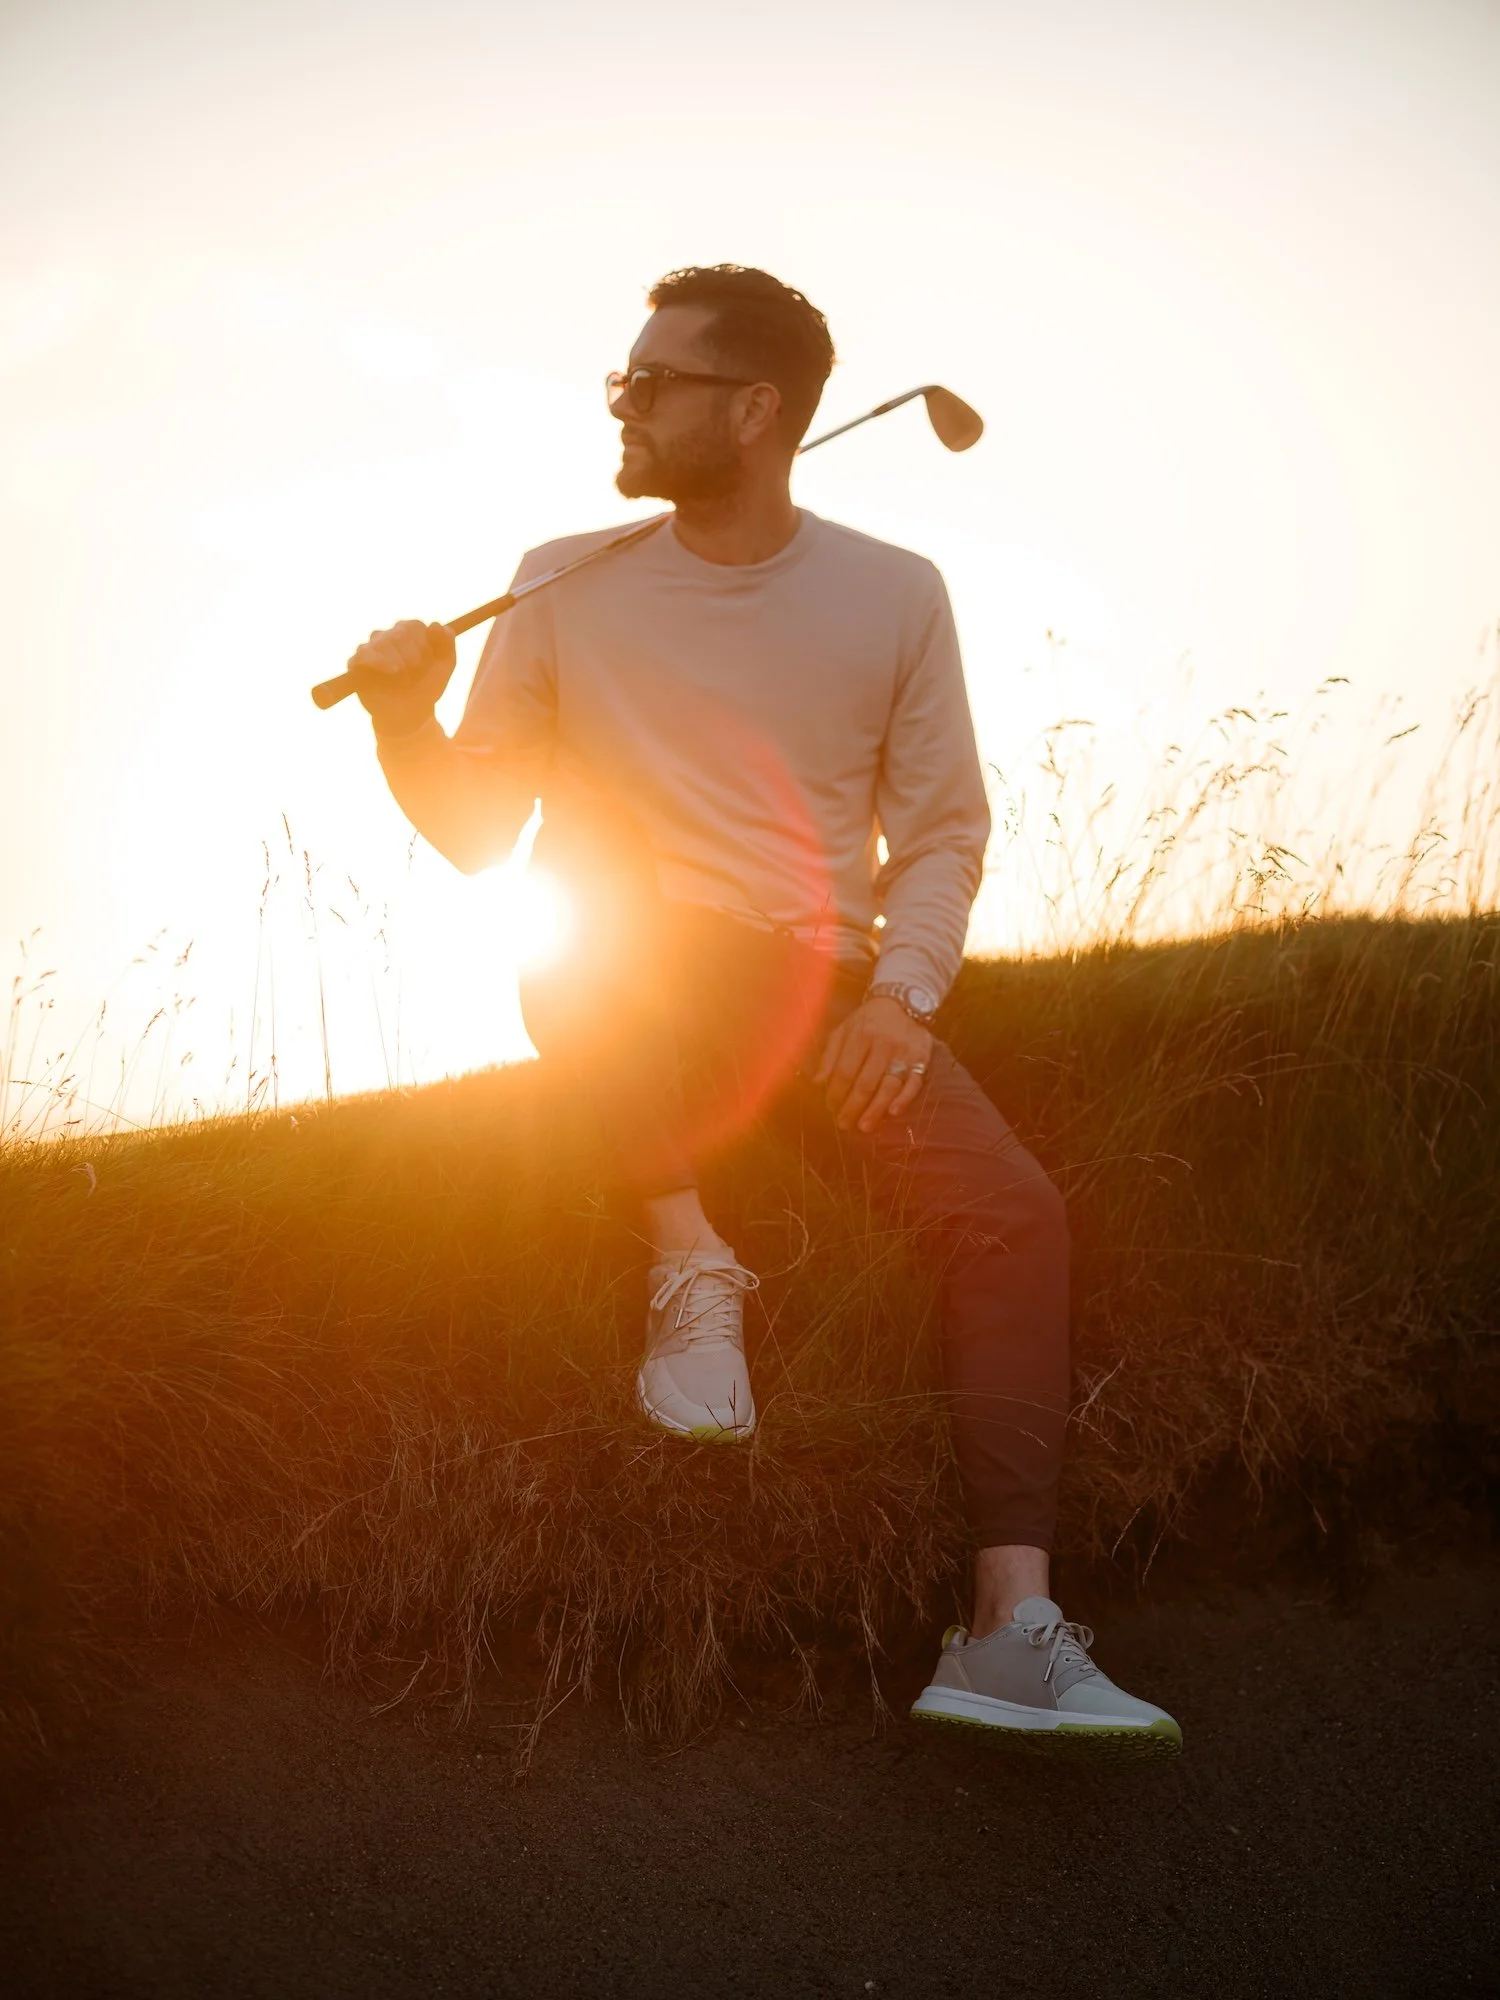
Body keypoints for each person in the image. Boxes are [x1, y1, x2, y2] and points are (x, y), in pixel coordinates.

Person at [347, 265, 1181, 1756]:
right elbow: (481, 839)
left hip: (820, 993)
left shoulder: (896, 593)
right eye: (625, 378)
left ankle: (1007, 1630)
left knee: (1014, 1218)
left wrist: (903, 1000)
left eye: (654, 383)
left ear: (756, 410)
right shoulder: (559, 579)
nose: (625, 402)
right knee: (579, 880)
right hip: (635, 965)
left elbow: (940, 833)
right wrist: (410, 714)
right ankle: (691, 1261)